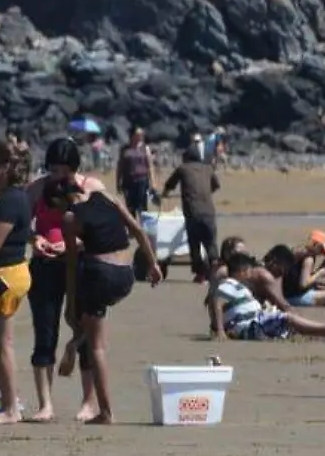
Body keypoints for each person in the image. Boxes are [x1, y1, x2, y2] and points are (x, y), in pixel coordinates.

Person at [48, 176, 164, 424]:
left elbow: (70, 264)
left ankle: (106, 412)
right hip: (127, 275)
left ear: (61, 200)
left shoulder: (70, 218)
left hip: (100, 276)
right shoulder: (107, 197)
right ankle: (77, 339)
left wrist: (70, 304)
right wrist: (153, 263)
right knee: (93, 326)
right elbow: (137, 229)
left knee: (96, 346)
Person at [24, 139, 103, 423]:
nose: (58, 176)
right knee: (45, 334)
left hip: (81, 265)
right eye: (53, 170)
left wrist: (77, 244)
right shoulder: (36, 189)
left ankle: (89, 401)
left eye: (64, 171)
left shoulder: (90, 187)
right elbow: (19, 223)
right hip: (45, 266)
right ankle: (45, 404)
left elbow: (104, 226)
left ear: (74, 169)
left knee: (85, 334)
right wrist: (36, 239)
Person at [209, 254, 325, 341]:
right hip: (250, 326)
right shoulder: (228, 284)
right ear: (242, 272)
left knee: (289, 330)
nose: (251, 275)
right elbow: (217, 302)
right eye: (249, 272)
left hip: (256, 323)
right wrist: (220, 330)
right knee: (288, 318)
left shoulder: (240, 288)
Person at [0, 140, 32, 422]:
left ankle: (10, 408)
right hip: (7, 273)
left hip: (4, 277)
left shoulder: (10, 200)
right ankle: (10, 400)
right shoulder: (6, 197)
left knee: (2, 344)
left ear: (5, 167)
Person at [159, 145, 219, 282]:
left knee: (195, 243)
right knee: (211, 243)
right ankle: (215, 271)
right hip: (209, 211)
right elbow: (216, 185)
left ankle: (200, 274)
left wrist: (164, 194)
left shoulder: (183, 168)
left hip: (193, 212)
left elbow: (169, 184)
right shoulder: (208, 168)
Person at [115, 127, 155, 217]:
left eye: (141, 135)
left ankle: (143, 229)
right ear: (132, 136)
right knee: (130, 208)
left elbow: (150, 166)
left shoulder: (145, 148)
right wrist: (117, 182)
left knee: (143, 208)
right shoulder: (124, 149)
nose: (140, 136)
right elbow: (120, 166)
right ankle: (133, 228)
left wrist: (153, 184)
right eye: (138, 135)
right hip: (128, 181)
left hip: (142, 181)